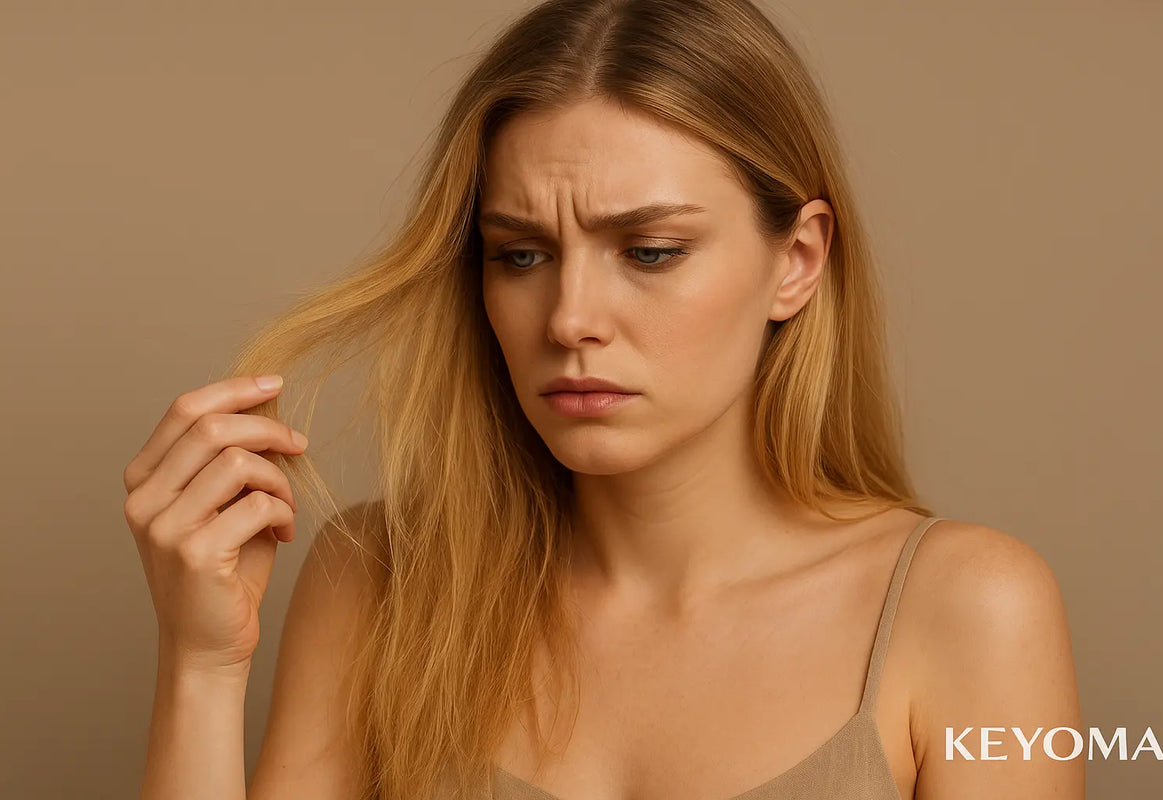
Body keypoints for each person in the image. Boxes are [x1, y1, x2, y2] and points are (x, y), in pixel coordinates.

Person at [123, 1, 1084, 798]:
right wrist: (202, 668)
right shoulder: (376, 583)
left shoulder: (968, 610)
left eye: (650, 251)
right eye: (521, 255)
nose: (570, 318)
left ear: (797, 261)